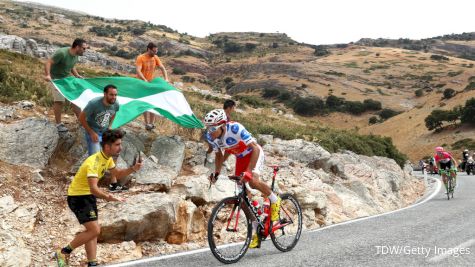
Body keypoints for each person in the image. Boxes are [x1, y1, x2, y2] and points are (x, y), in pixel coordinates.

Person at [54, 129, 143, 267]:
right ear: (107, 147)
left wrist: (133, 169)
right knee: (95, 230)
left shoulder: (106, 159)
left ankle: (92, 263)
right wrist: (109, 197)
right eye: (118, 145)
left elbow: (118, 174)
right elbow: (94, 188)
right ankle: (64, 252)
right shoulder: (94, 162)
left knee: (92, 232)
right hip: (78, 197)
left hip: (87, 197)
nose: (121, 147)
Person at [204, 109, 281, 249]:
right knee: (243, 198)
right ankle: (258, 229)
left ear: (222, 125)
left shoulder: (235, 128)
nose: (210, 131)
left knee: (252, 181)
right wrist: (216, 173)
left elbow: (255, 149)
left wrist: (249, 171)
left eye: (213, 128)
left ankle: (275, 201)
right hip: (240, 158)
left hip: (254, 154)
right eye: (207, 127)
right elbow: (219, 156)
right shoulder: (211, 137)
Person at [78, 84, 125, 192]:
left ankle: (113, 184)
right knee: (95, 158)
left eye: (115, 95)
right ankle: (90, 187)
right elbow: (81, 117)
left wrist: (109, 126)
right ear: (105, 94)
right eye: (111, 95)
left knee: (113, 152)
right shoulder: (94, 103)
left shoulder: (115, 104)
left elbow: (113, 114)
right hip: (93, 130)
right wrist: (91, 132)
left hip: (104, 132)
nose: (113, 97)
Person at [45, 38, 87, 132]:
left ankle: (81, 122)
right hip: (56, 79)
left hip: (66, 79)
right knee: (59, 101)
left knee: (74, 99)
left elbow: (71, 66)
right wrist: (48, 75)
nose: (85, 51)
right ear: (77, 47)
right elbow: (48, 62)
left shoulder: (76, 55)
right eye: (84, 48)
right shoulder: (62, 53)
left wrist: (76, 75)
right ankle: (58, 125)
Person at [136, 42, 169, 131]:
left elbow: (162, 68)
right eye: (153, 51)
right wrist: (144, 80)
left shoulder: (155, 57)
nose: (155, 53)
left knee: (153, 102)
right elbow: (138, 71)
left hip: (151, 83)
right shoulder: (140, 58)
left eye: (156, 51)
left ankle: (152, 123)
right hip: (141, 83)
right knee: (145, 103)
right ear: (148, 49)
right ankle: (147, 123)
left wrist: (166, 79)